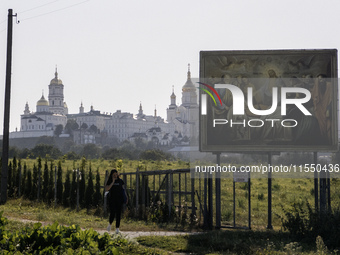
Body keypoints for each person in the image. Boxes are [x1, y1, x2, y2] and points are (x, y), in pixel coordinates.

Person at [105, 169, 128, 234]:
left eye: (116, 174)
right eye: (114, 175)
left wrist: (126, 197)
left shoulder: (120, 181)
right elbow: (107, 188)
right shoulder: (110, 181)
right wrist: (112, 182)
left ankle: (117, 228)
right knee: (112, 213)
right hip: (112, 199)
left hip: (119, 199)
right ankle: (110, 224)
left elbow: (123, 190)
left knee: (118, 214)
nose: (115, 175)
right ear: (112, 175)